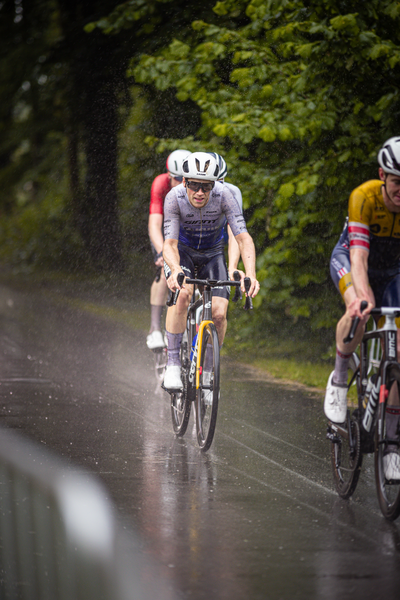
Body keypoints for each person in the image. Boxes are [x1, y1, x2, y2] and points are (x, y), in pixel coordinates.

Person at [324, 136, 400, 479]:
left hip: (394, 271)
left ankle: (392, 446)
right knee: (356, 306)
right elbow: (358, 256)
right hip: (354, 258)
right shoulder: (364, 197)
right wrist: (363, 296)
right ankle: (340, 380)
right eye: (398, 183)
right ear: (383, 176)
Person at [162, 151, 260, 390]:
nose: (199, 192)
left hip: (212, 254)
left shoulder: (225, 195)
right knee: (183, 294)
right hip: (182, 252)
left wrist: (250, 274)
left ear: (214, 184)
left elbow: (243, 238)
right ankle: (173, 363)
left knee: (218, 314)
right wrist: (175, 269)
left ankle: (207, 370)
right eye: (194, 185)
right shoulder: (174, 197)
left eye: (206, 187)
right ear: (184, 181)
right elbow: (170, 244)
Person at [146, 149, 191, 350]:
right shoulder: (161, 184)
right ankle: (155, 328)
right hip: (166, 232)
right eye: (178, 179)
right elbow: (155, 224)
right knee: (165, 274)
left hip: (188, 232)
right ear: (169, 177)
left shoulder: (195, 187)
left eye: (187, 179)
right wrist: (160, 252)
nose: (183, 183)